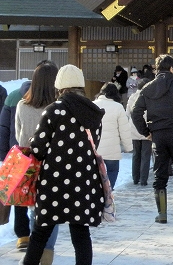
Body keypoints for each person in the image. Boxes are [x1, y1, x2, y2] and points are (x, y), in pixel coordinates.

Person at [22, 64, 105, 265]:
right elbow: (94, 145)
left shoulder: (53, 111)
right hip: (84, 180)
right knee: (81, 235)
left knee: (41, 233)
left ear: (59, 86)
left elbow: (39, 147)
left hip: (54, 182)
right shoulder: (94, 113)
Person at [132, 54, 173, 224]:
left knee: (160, 175)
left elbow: (135, 112)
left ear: (156, 69)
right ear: (172, 69)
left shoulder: (147, 88)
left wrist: (146, 132)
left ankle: (162, 214)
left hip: (158, 135)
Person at [0, 80, 32, 252]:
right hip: (41, 155)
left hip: (17, 154)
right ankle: (40, 234)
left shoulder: (13, 97)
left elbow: (3, 127)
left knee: (20, 195)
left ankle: (23, 235)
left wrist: (4, 155)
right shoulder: (49, 96)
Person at [94, 82, 133, 189]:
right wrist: (128, 147)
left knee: (96, 174)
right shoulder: (118, 107)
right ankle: (109, 193)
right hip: (112, 149)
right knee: (112, 171)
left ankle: (98, 195)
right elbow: (124, 129)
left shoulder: (92, 105)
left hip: (95, 148)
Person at [126, 78, 152, 186]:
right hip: (146, 130)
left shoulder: (132, 97)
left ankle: (135, 178)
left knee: (136, 155)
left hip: (133, 129)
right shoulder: (150, 97)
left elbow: (127, 113)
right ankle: (143, 179)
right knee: (146, 155)